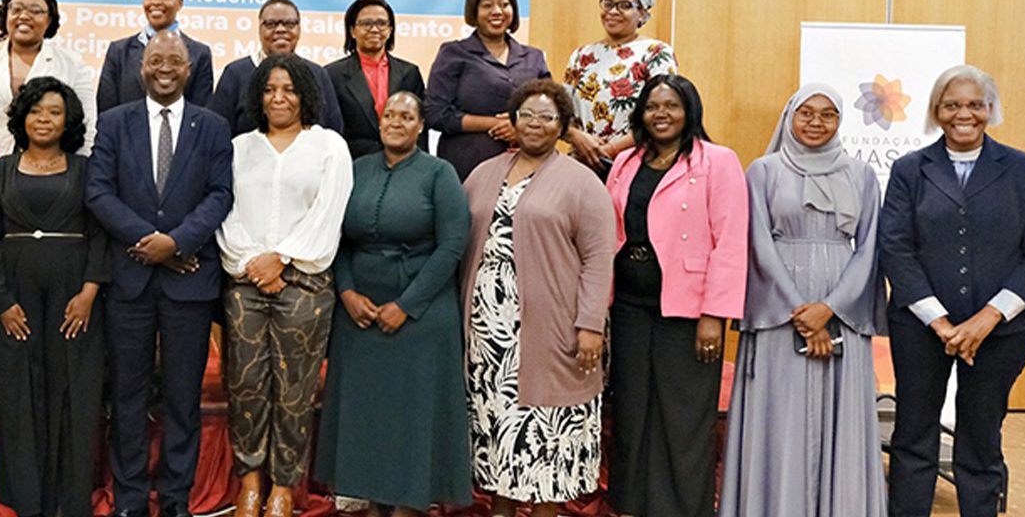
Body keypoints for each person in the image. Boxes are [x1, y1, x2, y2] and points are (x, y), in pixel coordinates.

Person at [880, 65, 1025, 517]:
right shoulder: (910, 170)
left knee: (981, 438)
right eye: (952, 104)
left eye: (975, 104)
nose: (964, 114)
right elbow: (895, 247)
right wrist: (941, 323)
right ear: (937, 110)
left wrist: (985, 319)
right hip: (920, 329)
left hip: (1002, 331)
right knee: (913, 436)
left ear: (991, 109)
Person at [719, 85, 885, 517]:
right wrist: (801, 312)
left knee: (840, 418)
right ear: (789, 116)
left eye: (828, 114)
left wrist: (830, 309)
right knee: (780, 415)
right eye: (806, 112)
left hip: (842, 310)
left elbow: (869, 248)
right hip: (778, 311)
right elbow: (758, 242)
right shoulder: (764, 170)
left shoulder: (861, 174)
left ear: (840, 121)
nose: (816, 122)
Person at [86, 32, 234, 517]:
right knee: (127, 395)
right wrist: (153, 243)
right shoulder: (114, 122)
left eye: (175, 60)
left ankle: (175, 498)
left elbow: (220, 194)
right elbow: (99, 192)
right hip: (128, 281)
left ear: (189, 69)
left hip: (190, 283)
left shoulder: (212, 127)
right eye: (155, 60)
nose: (165, 67)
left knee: (182, 397)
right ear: (141, 68)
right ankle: (129, 498)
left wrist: (178, 242)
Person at [458, 79, 615, 517]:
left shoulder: (582, 182)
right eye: (526, 115)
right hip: (488, 336)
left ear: (563, 126)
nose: (534, 123)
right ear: (513, 121)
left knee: (547, 438)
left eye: (547, 117)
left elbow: (598, 258)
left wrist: (590, 325)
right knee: (496, 430)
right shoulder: (484, 173)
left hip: (552, 330)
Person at [314, 91, 472, 515]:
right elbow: (335, 236)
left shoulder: (440, 173)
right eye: (389, 115)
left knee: (411, 414)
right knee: (367, 413)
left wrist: (407, 305)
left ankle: (409, 504)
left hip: (422, 312)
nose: (396, 122)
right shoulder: (357, 169)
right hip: (359, 312)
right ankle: (368, 499)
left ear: (420, 127)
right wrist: (346, 292)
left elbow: (452, 245)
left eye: (406, 116)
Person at [603, 74, 747, 517]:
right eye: (652, 106)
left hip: (688, 309)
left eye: (671, 106)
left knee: (683, 417)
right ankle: (631, 505)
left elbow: (730, 242)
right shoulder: (625, 161)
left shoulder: (717, 161)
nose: (660, 114)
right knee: (632, 413)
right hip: (629, 305)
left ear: (689, 111)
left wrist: (714, 315)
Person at [216, 55, 352, 517]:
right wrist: (253, 263)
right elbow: (227, 212)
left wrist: (283, 258)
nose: (279, 98)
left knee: (295, 389)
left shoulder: (329, 146)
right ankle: (250, 482)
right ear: (258, 96)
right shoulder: (239, 148)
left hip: (305, 282)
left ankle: (283, 487)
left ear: (306, 95)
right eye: (270, 89)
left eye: (290, 89)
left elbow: (328, 213)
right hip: (245, 280)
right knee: (246, 384)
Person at [0, 77, 107, 517]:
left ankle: (70, 499)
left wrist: (89, 292)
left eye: (54, 111)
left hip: (75, 298)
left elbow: (100, 235)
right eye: (35, 111)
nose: (44, 119)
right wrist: (0, 300)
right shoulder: (0, 170)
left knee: (73, 389)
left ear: (68, 120)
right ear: (22, 117)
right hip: (14, 297)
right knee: (17, 391)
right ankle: (26, 498)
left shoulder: (86, 170)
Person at [425, 0, 550, 181]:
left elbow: (551, 111)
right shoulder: (453, 53)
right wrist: (496, 124)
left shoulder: (534, 57)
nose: (497, 11)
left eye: (504, 4)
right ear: (474, 11)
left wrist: (521, 126)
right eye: (487, 5)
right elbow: (435, 113)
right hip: (467, 167)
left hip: (527, 167)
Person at [0, 0, 97, 154]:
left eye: (35, 11)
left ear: (49, 20)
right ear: (5, 15)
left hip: (53, 165)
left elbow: (87, 128)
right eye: (16, 9)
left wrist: (80, 167)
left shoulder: (72, 64)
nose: (24, 16)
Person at [562, 0, 677, 177]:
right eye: (608, 4)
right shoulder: (582, 55)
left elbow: (661, 116)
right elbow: (562, 112)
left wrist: (611, 150)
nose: (613, 11)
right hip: (581, 164)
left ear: (642, 13)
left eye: (624, 5)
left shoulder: (656, 53)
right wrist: (578, 138)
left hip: (635, 165)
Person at [208, 0, 343, 136]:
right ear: (259, 29)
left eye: (289, 24)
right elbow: (217, 131)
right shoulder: (235, 73)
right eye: (271, 24)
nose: (280, 29)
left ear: (299, 29)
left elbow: (333, 129)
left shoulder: (317, 74)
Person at [97, 0, 214, 114]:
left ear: (179, 3)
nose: (156, 2)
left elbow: (201, 115)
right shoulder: (119, 52)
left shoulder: (199, 54)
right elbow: (107, 113)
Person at [324, 0, 427, 158]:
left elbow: (421, 129)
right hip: (352, 162)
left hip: (402, 162)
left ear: (390, 30)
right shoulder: (332, 75)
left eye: (381, 23)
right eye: (366, 23)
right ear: (352, 31)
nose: (374, 29)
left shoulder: (410, 73)